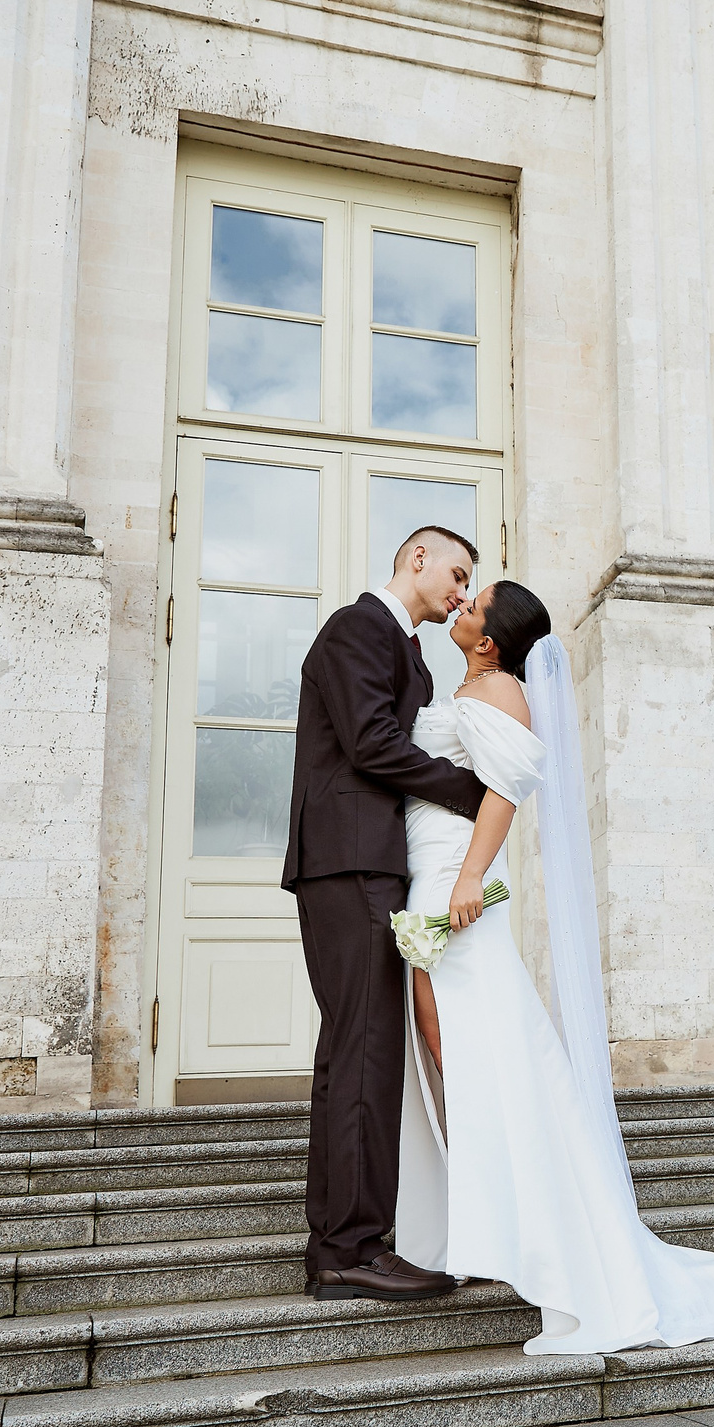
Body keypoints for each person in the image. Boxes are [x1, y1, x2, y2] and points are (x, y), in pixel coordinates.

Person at [393, 579, 714, 1354]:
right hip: (430, 873)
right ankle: (487, 1223)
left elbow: (504, 790)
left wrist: (472, 874)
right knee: (450, 1051)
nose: (462, 604)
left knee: (472, 1052)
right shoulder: (474, 682)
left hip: (454, 883)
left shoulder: (502, 689)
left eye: (473, 605)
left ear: (490, 638)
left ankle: (529, 1229)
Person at [282, 525, 486, 1303]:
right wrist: (466, 790)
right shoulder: (358, 626)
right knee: (362, 1052)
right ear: (418, 558)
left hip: (368, 861)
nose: (462, 593)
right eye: (458, 574)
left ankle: (344, 1240)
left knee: (357, 1052)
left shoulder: (409, 653)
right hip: (350, 861)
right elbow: (369, 743)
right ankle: (349, 1248)